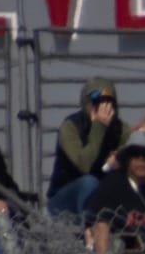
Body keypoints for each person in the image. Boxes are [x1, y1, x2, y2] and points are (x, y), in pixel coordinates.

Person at [49, 77, 121, 215]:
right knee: (89, 182)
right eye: (96, 102)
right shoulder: (70, 127)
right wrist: (98, 127)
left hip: (104, 195)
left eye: (106, 102)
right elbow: (84, 165)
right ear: (85, 104)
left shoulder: (120, 129)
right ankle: (90, 227)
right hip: (65, 200)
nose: (101, 107)